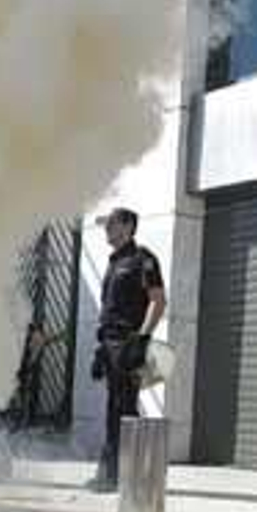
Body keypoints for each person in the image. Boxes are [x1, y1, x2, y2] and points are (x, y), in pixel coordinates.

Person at [89, 206, 165, 492]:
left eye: (112, 223)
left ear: (128, 226)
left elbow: (158, 301)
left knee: (125, 408)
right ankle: (109, 473)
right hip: (109, 342)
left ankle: (126, 476)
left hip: (128, 341)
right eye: (106, 224)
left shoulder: (142, 259)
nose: (107, 229)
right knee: (113, 408)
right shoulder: (113, 262)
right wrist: (100, 349)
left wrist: (142, 339)